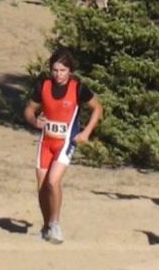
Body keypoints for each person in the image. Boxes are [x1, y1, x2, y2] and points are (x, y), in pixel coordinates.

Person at [22, 49, 102, 243]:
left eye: (63, 70)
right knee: (42, 186)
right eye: (55, 70)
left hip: (66, 142)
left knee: (53, 181)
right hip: (46, 141)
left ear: (70, 71)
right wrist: (34, 121)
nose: (58, 74)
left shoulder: (78, 88)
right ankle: (46, 227)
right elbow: (29, 109)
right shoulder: (43, 86)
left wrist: (86, 132)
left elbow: (98, 108)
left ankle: (56, 224)